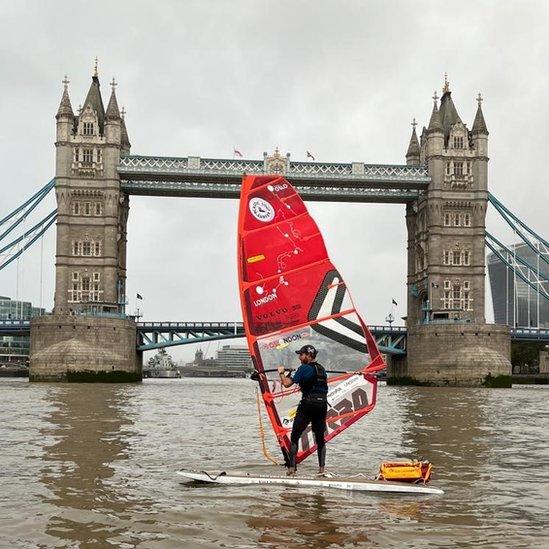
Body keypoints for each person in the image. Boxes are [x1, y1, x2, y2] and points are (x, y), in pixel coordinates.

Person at [277, 344, 328, 476]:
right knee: (320, 438)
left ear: (308, 355)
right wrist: (294, 373)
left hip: (308, 404)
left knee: (295, 436)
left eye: (301, 355)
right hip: (322, 405)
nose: (299, 357)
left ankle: (292, 469)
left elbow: (287, 384)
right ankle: (321, 470)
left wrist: (282, 373)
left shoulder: (304, 368)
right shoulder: (322, 369)